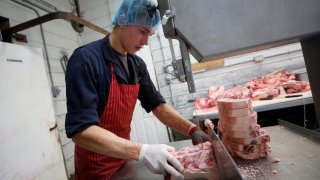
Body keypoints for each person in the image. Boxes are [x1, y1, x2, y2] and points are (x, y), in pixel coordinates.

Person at [65, 0, 210, 179]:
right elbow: (81, 131)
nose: (146, 42)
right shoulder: (86, 59)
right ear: (123, 20)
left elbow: (158, 106)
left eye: (150, 34)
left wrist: (192, 129)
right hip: (95, 167)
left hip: (124, 158)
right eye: (142, 32)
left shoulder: (136, 64)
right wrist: (142, 151)